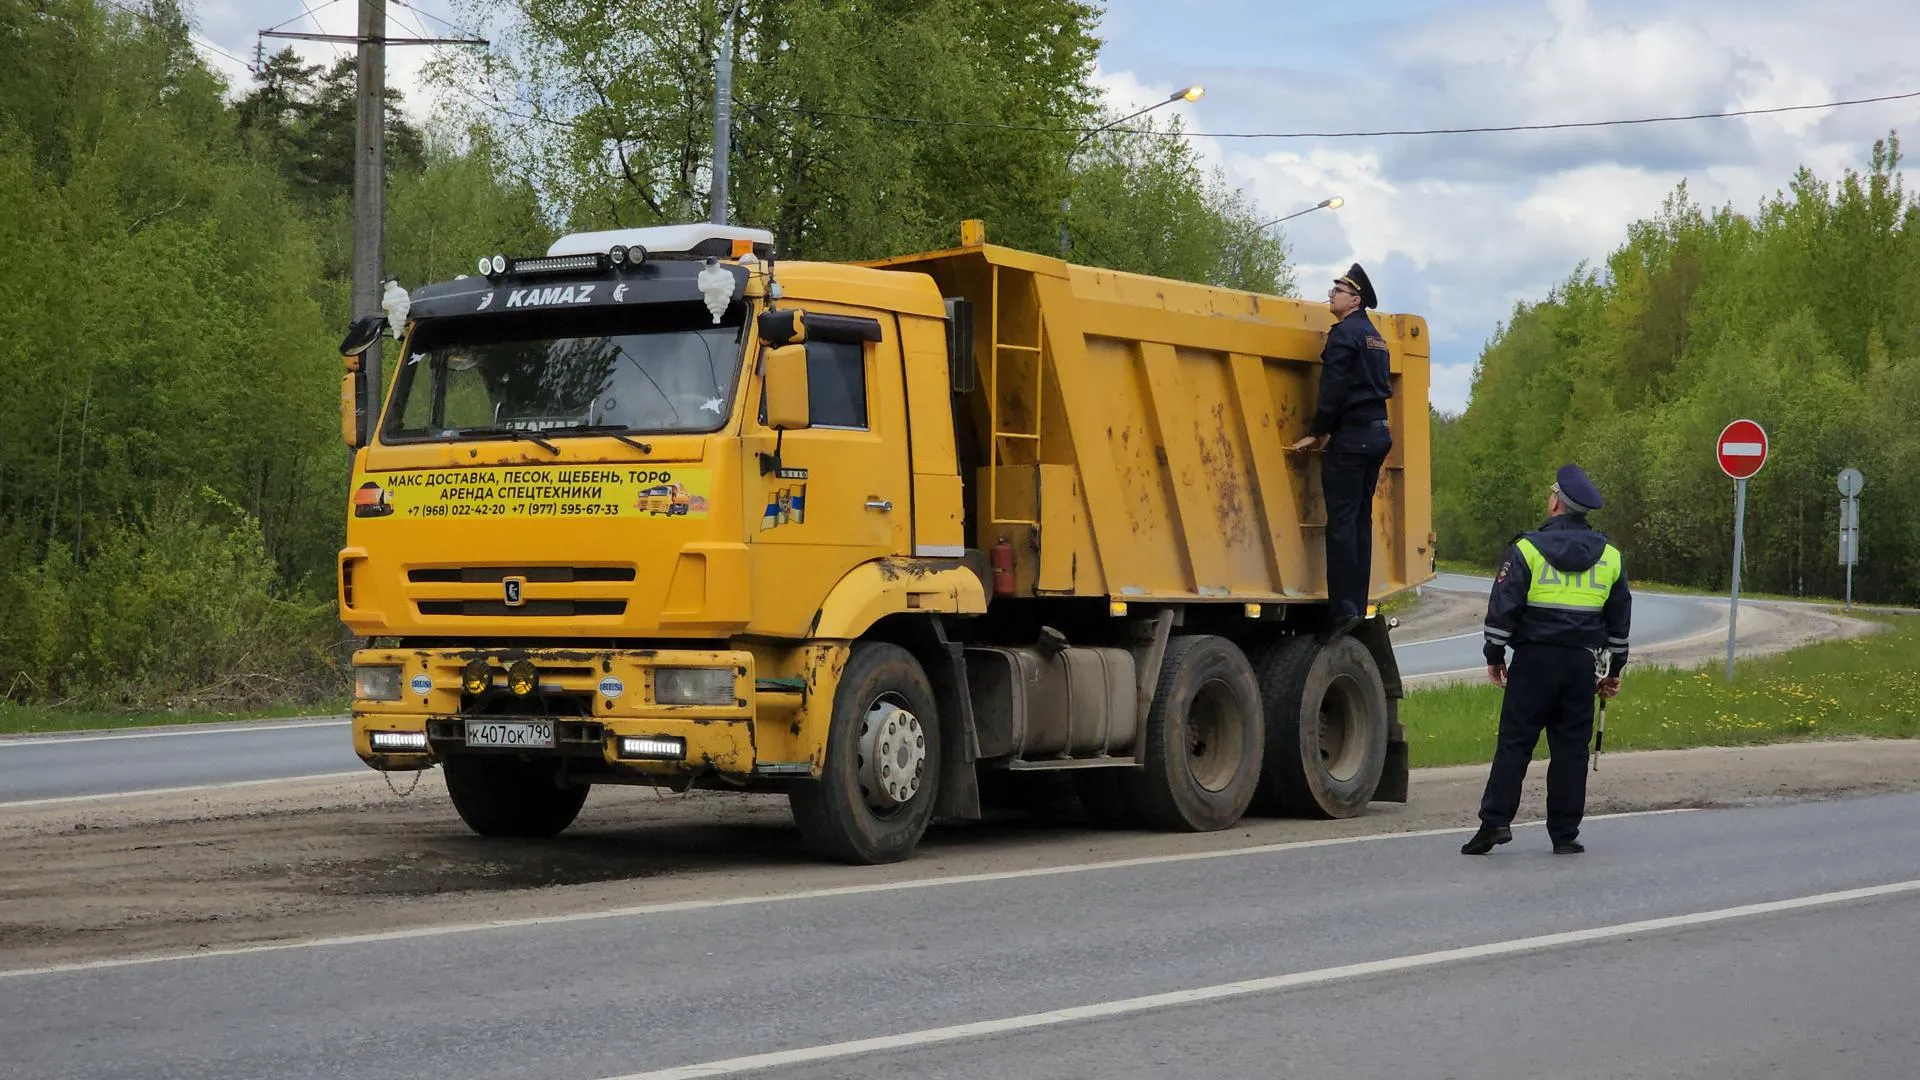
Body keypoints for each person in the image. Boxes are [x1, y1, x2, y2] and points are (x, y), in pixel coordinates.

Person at [1462, 464, 1632, 856]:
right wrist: (1613, 671)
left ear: (1556, 502)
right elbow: (1619, 622)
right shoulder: (1611, 557)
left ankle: (1495, 823)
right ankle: (1565, 834)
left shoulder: (1527, 549)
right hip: (1580, 666)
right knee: (1571, 749)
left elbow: (1502, 609)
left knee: (1515, 744)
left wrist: (1494, 654)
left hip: (1534, 662)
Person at [1291, 263, 1393, 641]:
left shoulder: (1344, 336)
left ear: (1356, 299)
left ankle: (1342, 610)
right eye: (1333, 288)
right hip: (1378, 435)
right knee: (1360, 523)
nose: (1331, 294)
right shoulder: (1375, 337)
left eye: (1339, 290)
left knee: (1341, 524)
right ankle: (1357, 601)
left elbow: (1332, 390)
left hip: (1351, 439)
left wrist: (1317, 433)